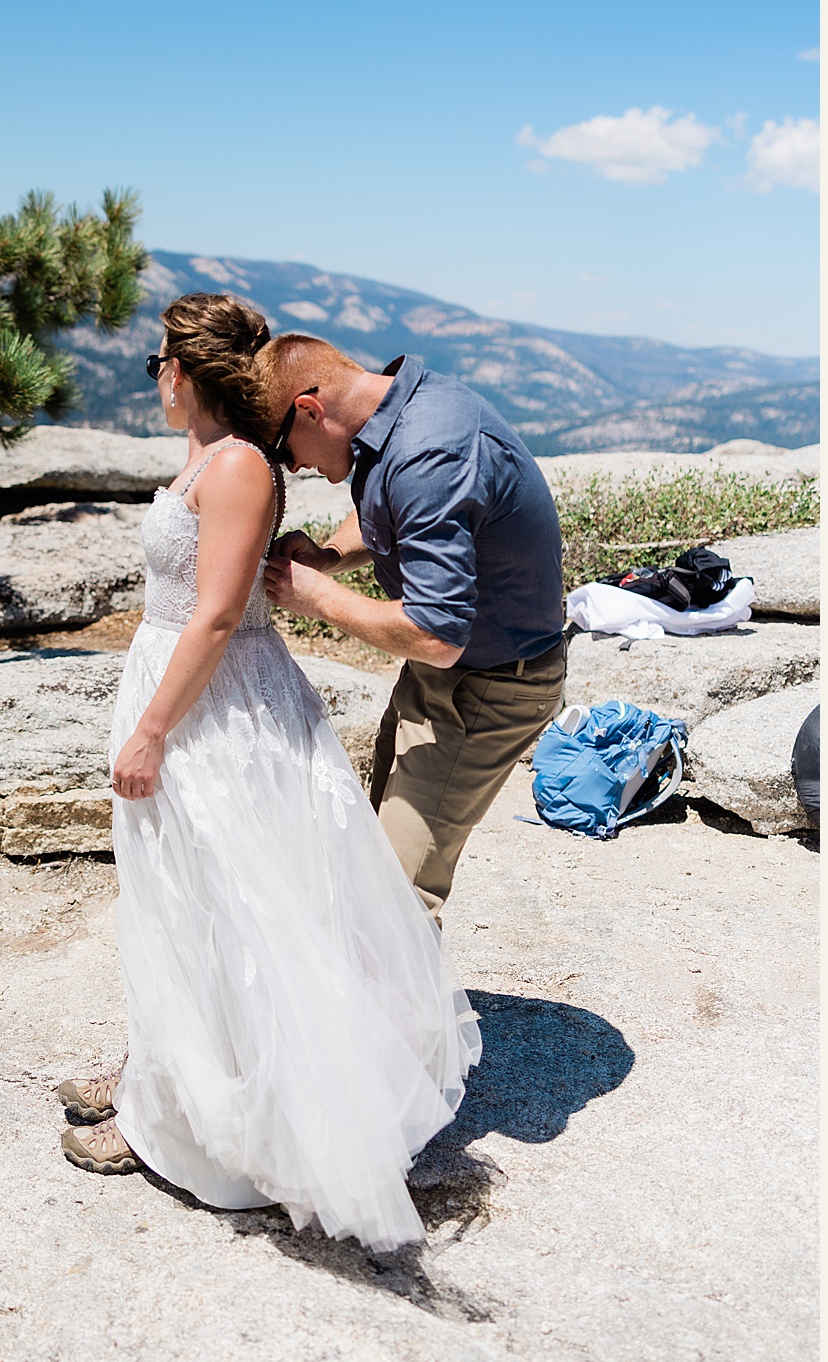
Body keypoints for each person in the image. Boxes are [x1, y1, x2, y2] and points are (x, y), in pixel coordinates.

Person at [52, 294, 480, 1252]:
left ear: (186, 370)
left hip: (219, 711)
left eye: (157, 361)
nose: (152, 378)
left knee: (242, 907)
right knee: (185, 904)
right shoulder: (207, 455)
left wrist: (154, 727)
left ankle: (217, 1130)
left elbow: (212, 614)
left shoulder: (241, 464)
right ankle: (162, 1084)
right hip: (190, 694)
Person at [253, 335, 568, 922]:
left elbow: (436, 634)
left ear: (309, 409)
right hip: (451, 670)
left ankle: (407, 1016)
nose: (292, 467)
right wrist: (329, 555)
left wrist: (320, 597)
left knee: (396, 899)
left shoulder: (429, 450)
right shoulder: (396, 410)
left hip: (492, 684)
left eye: (283, 449)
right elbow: (385, 503)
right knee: (372, 855)